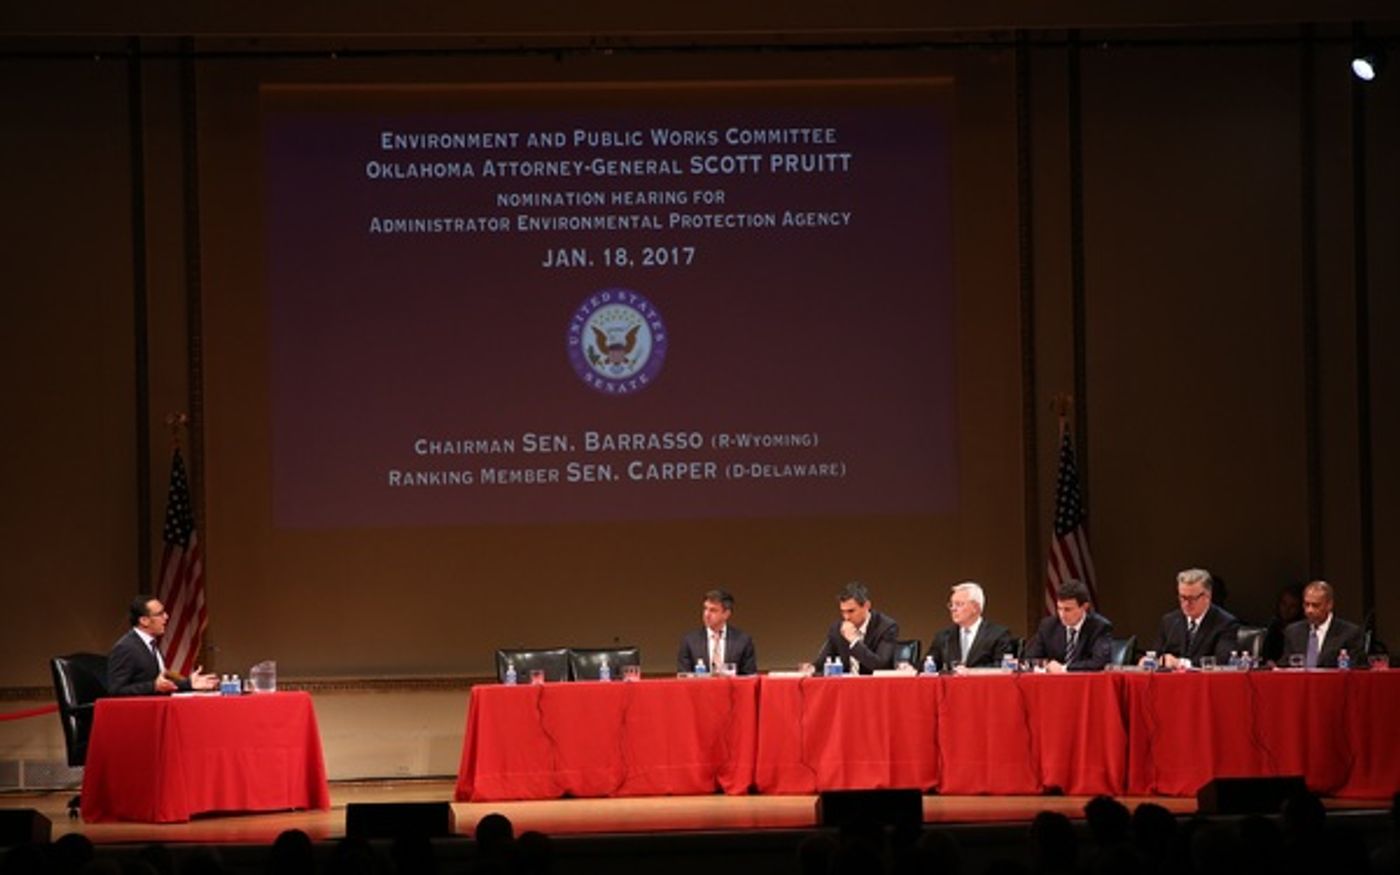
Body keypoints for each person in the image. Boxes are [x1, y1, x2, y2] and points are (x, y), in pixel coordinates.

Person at [107, 594, 218, 695]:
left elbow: (161, 686)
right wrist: (153, 686)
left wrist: (189, 684)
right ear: (144, 620)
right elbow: (116, 690)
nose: (166, 617)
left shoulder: (151, 645)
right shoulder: (125, 648)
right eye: (160, 614)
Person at [1142, 568, 1239, 669]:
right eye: (1182, 597)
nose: (1186, 604)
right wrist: (1149, 661)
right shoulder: (1169, 621)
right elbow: (1156, 655)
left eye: (1192, 598)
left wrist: (1181, 664)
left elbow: (1222, 662)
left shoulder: (1225, 623)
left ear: (1207, 596)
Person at [1024, 580, 1114, 671]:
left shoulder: (1099, 627)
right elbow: (1030, 659)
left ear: (1084, 607)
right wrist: (1046, 666)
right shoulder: (1048, 626)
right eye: (1059, 608)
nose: (1062, 615)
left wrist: (1064, 668)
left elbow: (1099, 663)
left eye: (1068, 609)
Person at [815, 581, 899, 674]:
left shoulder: (886, 627)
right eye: (843, 611)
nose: (846, 617)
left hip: (873, 685)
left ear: (867, 606)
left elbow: (880, 666)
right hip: (845, 686)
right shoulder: (837, 628)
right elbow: (821, 664)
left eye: (851, 611)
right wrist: (811, 668)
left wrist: (854, 641)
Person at [928, 581, 1014, 670]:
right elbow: (929, 663)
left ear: (975, 607)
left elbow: (1002, 668)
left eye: (959, 604)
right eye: (951, 605)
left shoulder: (998, 634)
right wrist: (914, 669)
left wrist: (971, 672)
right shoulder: (944, 636)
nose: (953, 609)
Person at [1280, 580, 1366, 668]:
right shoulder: (1293, 632)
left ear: (1329, 605)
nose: (1309, 610)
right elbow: (1285, 665)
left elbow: (1358, 669)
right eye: (1306, 604)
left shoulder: (1350, 633)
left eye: (1315, 605)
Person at [676, 588, 758, 675]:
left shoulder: (743, 641)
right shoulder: (689, 641)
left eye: (713, 610)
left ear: (726, 614)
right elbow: (683, 677)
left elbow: (749, 677)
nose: (706, 614)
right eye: (705, 609)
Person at [1261, 583, 1304, 664]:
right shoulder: (1274, 626)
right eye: (1284, 604)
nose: (1286, 610)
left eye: (1293, 606)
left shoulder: (1304, 630)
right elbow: (1267, 656)